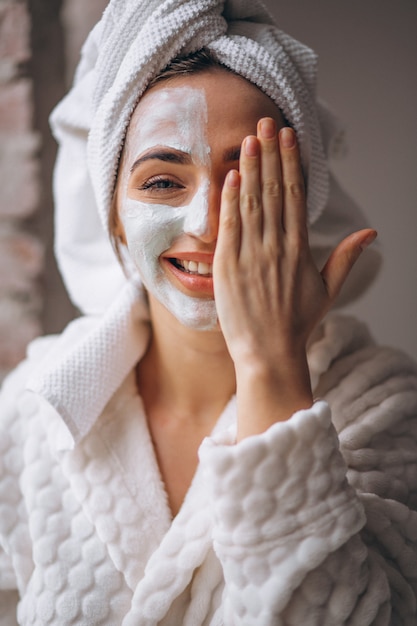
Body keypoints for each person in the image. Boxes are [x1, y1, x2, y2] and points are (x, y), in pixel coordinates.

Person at [1, 1, 416, 624]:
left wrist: (273, 368)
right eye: (163, 182)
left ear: (301, 205)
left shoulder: (385, 405)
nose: (206, 225)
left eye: (247, 182)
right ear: (112, 210)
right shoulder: (32, 412)